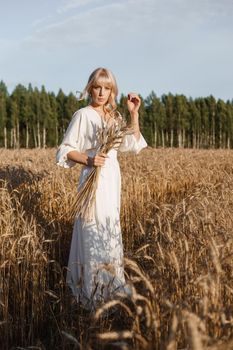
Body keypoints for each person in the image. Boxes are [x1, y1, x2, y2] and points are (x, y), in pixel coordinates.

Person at [56, 67, 147, 310]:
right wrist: (88, 159)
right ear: (90, 88)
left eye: (107, 88)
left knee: (109, 231)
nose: (101, 92)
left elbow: (133, 144)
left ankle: (111, 294)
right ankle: (90, 296)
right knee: (91, 230)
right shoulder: (83, 115)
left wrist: (134, 114)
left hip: (110, 181)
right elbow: (64, 150)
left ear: (112, 92)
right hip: (92, 180)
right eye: (97, 87)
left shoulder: (115, 118)